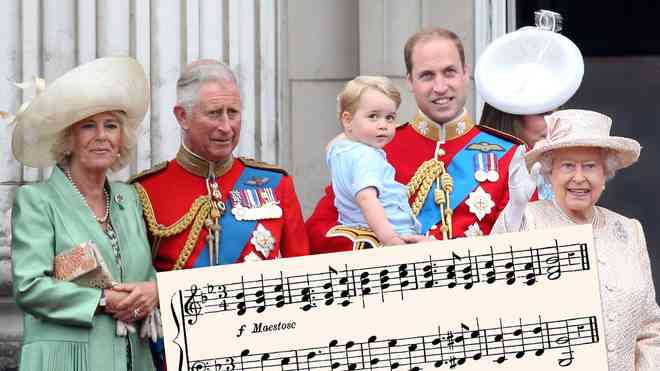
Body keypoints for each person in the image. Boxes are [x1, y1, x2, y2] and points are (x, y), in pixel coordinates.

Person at [306, 27, 530, 253]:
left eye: (449, 72)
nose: (440, 87)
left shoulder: (509, 154)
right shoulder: (375, 147)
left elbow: (530, 243)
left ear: (465, 74)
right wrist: (382, 246)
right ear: (410, 82)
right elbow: (319, 231)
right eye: (427, 75)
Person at [9, 57, 156, 370]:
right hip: (67, 359)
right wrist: (103, 301)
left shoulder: (128, 198)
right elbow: (29, 286)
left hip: (133, 358)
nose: (101, 136)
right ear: (68, 139)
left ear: (121, 140)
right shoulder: (37, 200)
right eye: (88, 125)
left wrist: (152, 291)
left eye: (111, 126)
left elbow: (145, 272)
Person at [491, 109, 660, 370]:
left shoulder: (629, 231)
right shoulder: (528, 221)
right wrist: (515, 207)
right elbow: (493, 280)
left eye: (590, 166)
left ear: (605, 174)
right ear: (550, 172)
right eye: (567, 165)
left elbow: (649, 329)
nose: (579, 178)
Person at [327, 76, 427, 246]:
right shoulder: (367, 156)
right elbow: (366, 199)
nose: (383, 125)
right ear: (347, 119)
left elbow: (330, 145)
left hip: (358, 232)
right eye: (373, 116)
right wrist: (392, 240)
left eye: (390, 117)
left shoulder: (338, 149)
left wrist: (351, 129)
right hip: (393, 233)